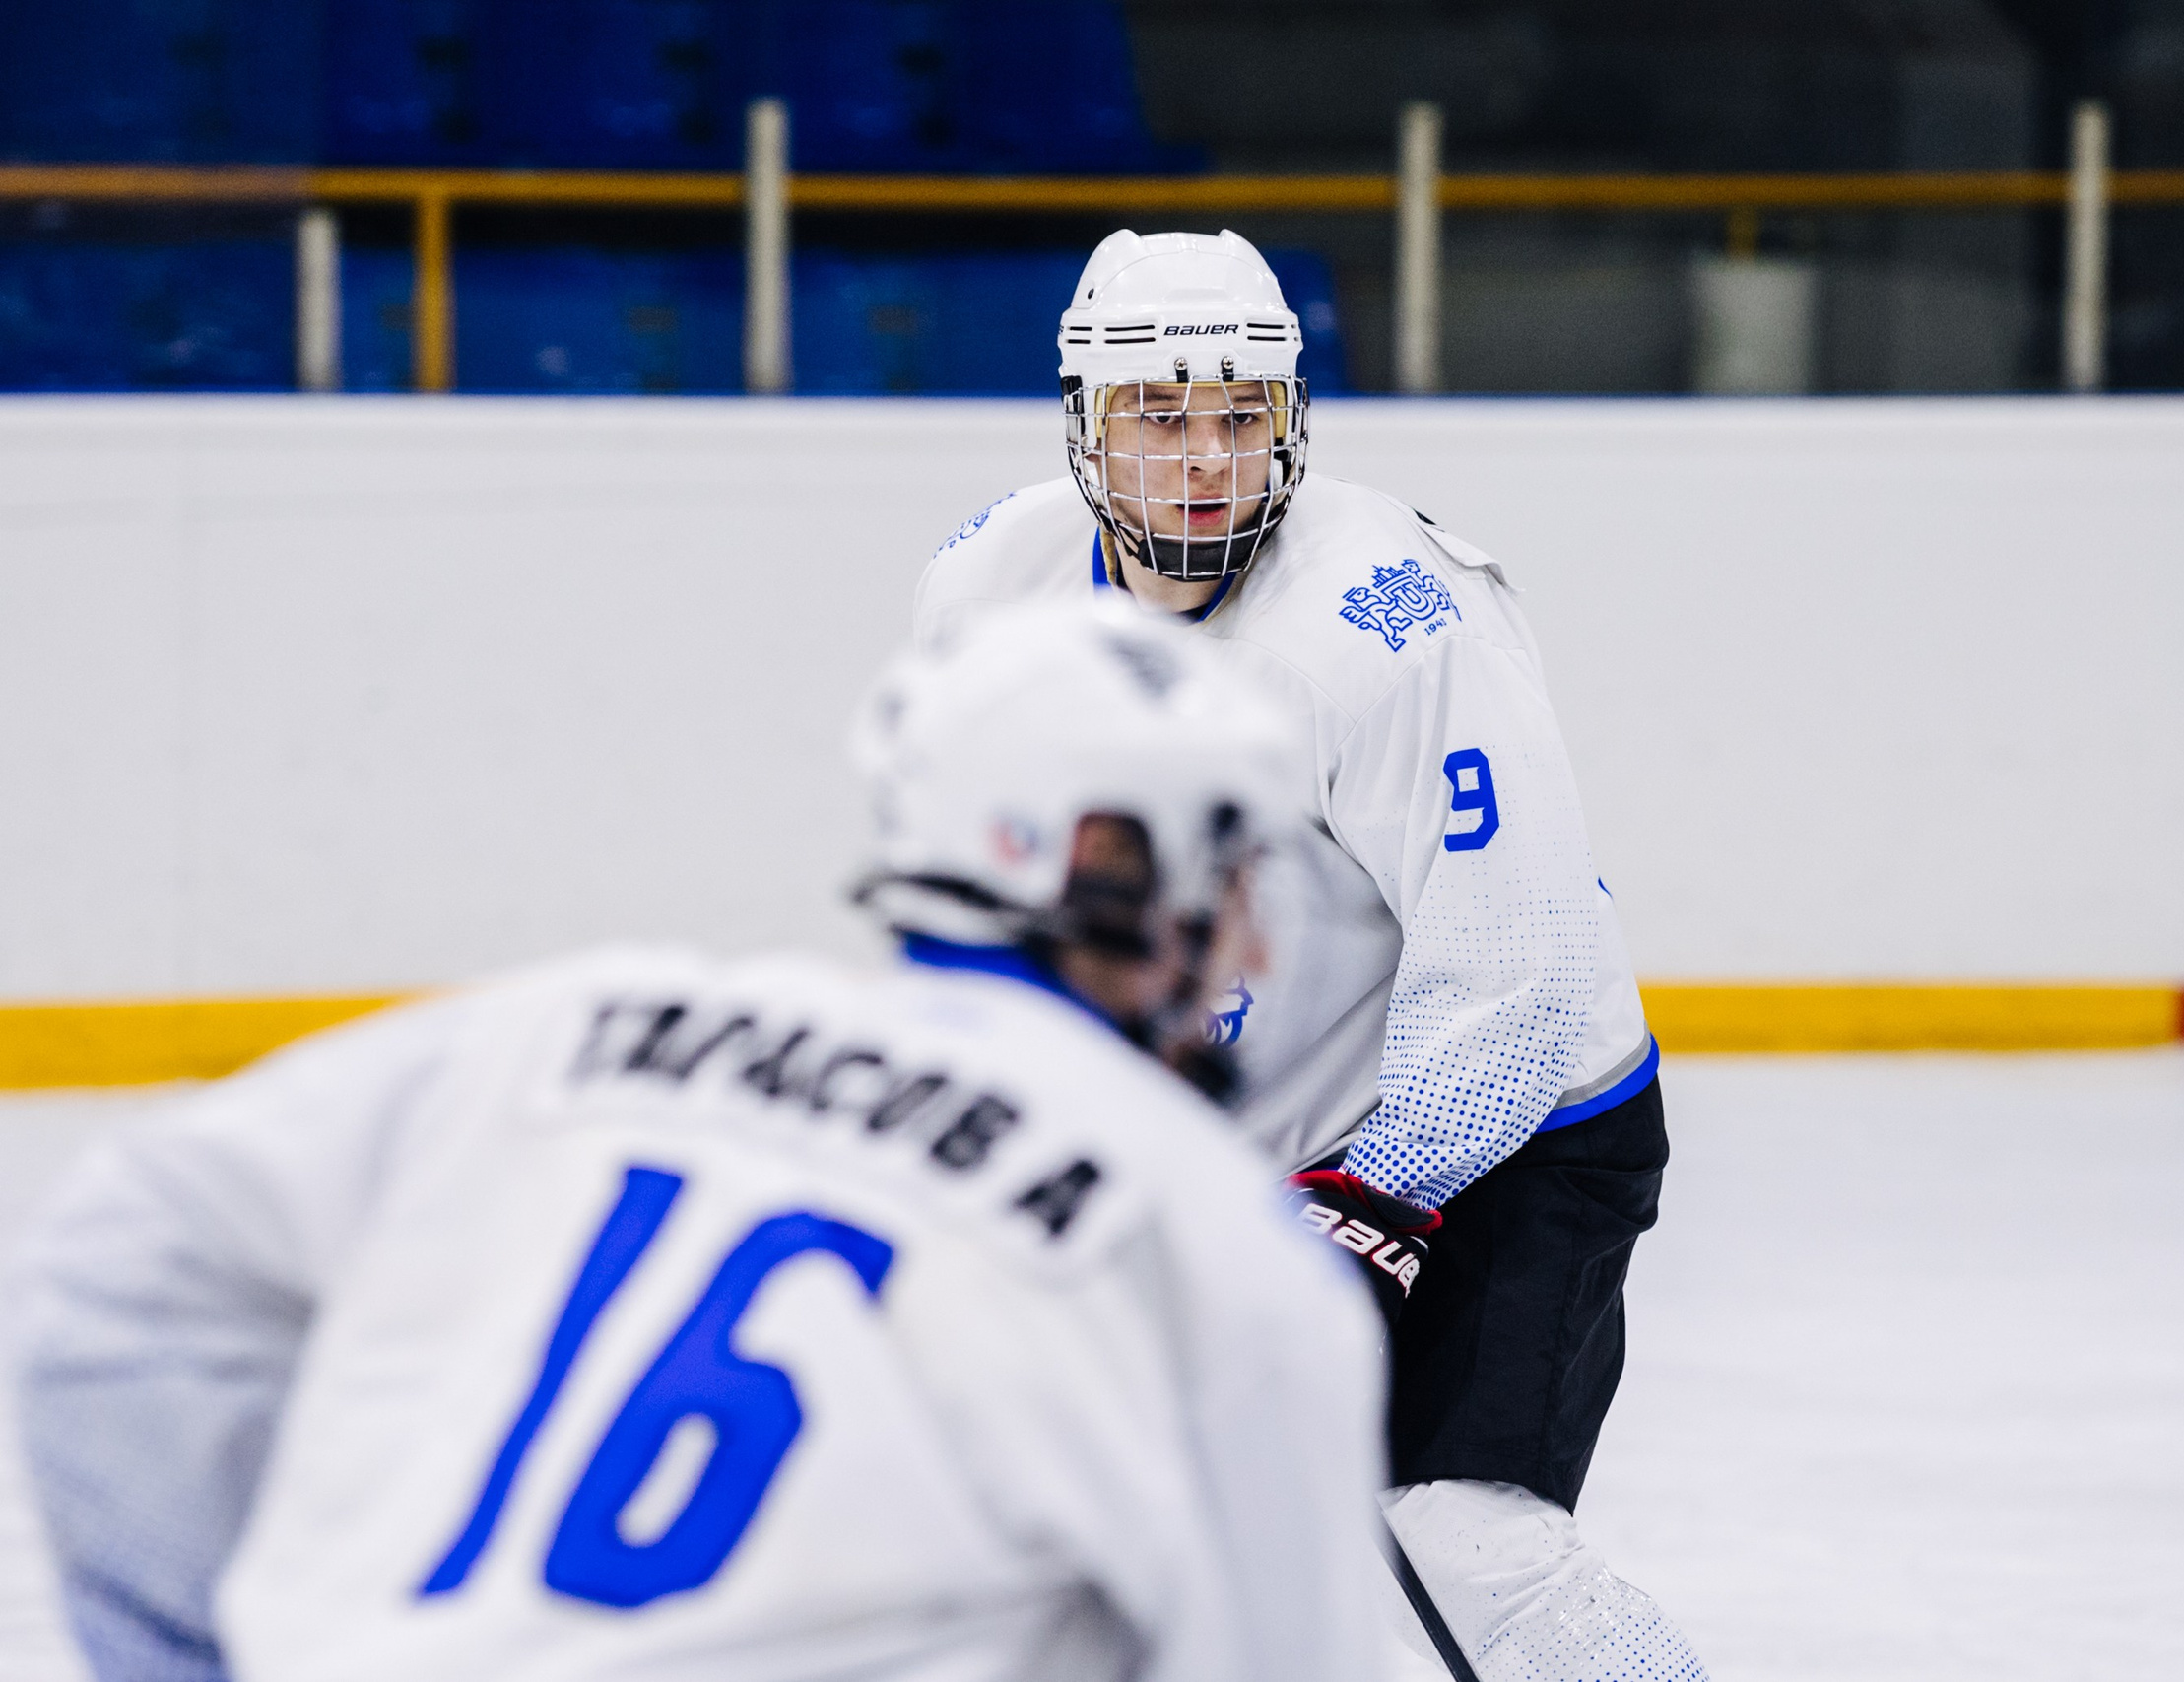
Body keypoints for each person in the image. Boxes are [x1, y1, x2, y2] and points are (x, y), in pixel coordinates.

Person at [12, 601, 1387, 1682]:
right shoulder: (1207, 1236)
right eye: (1234, 875)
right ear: (1100, 859)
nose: (1254, 944)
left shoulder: (576, 1021)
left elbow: (118, 1285)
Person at [912, 230, 1706, 1680]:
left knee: (1460, 1534)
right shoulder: (991, 586)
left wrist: (1371, 1203)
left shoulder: (1392, 621)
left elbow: (1519, 968)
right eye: (1159, 416)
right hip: (1265, 1144)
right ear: (1083, 424)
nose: (1207, 458)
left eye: (1241, 415)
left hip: (1514, 1134)